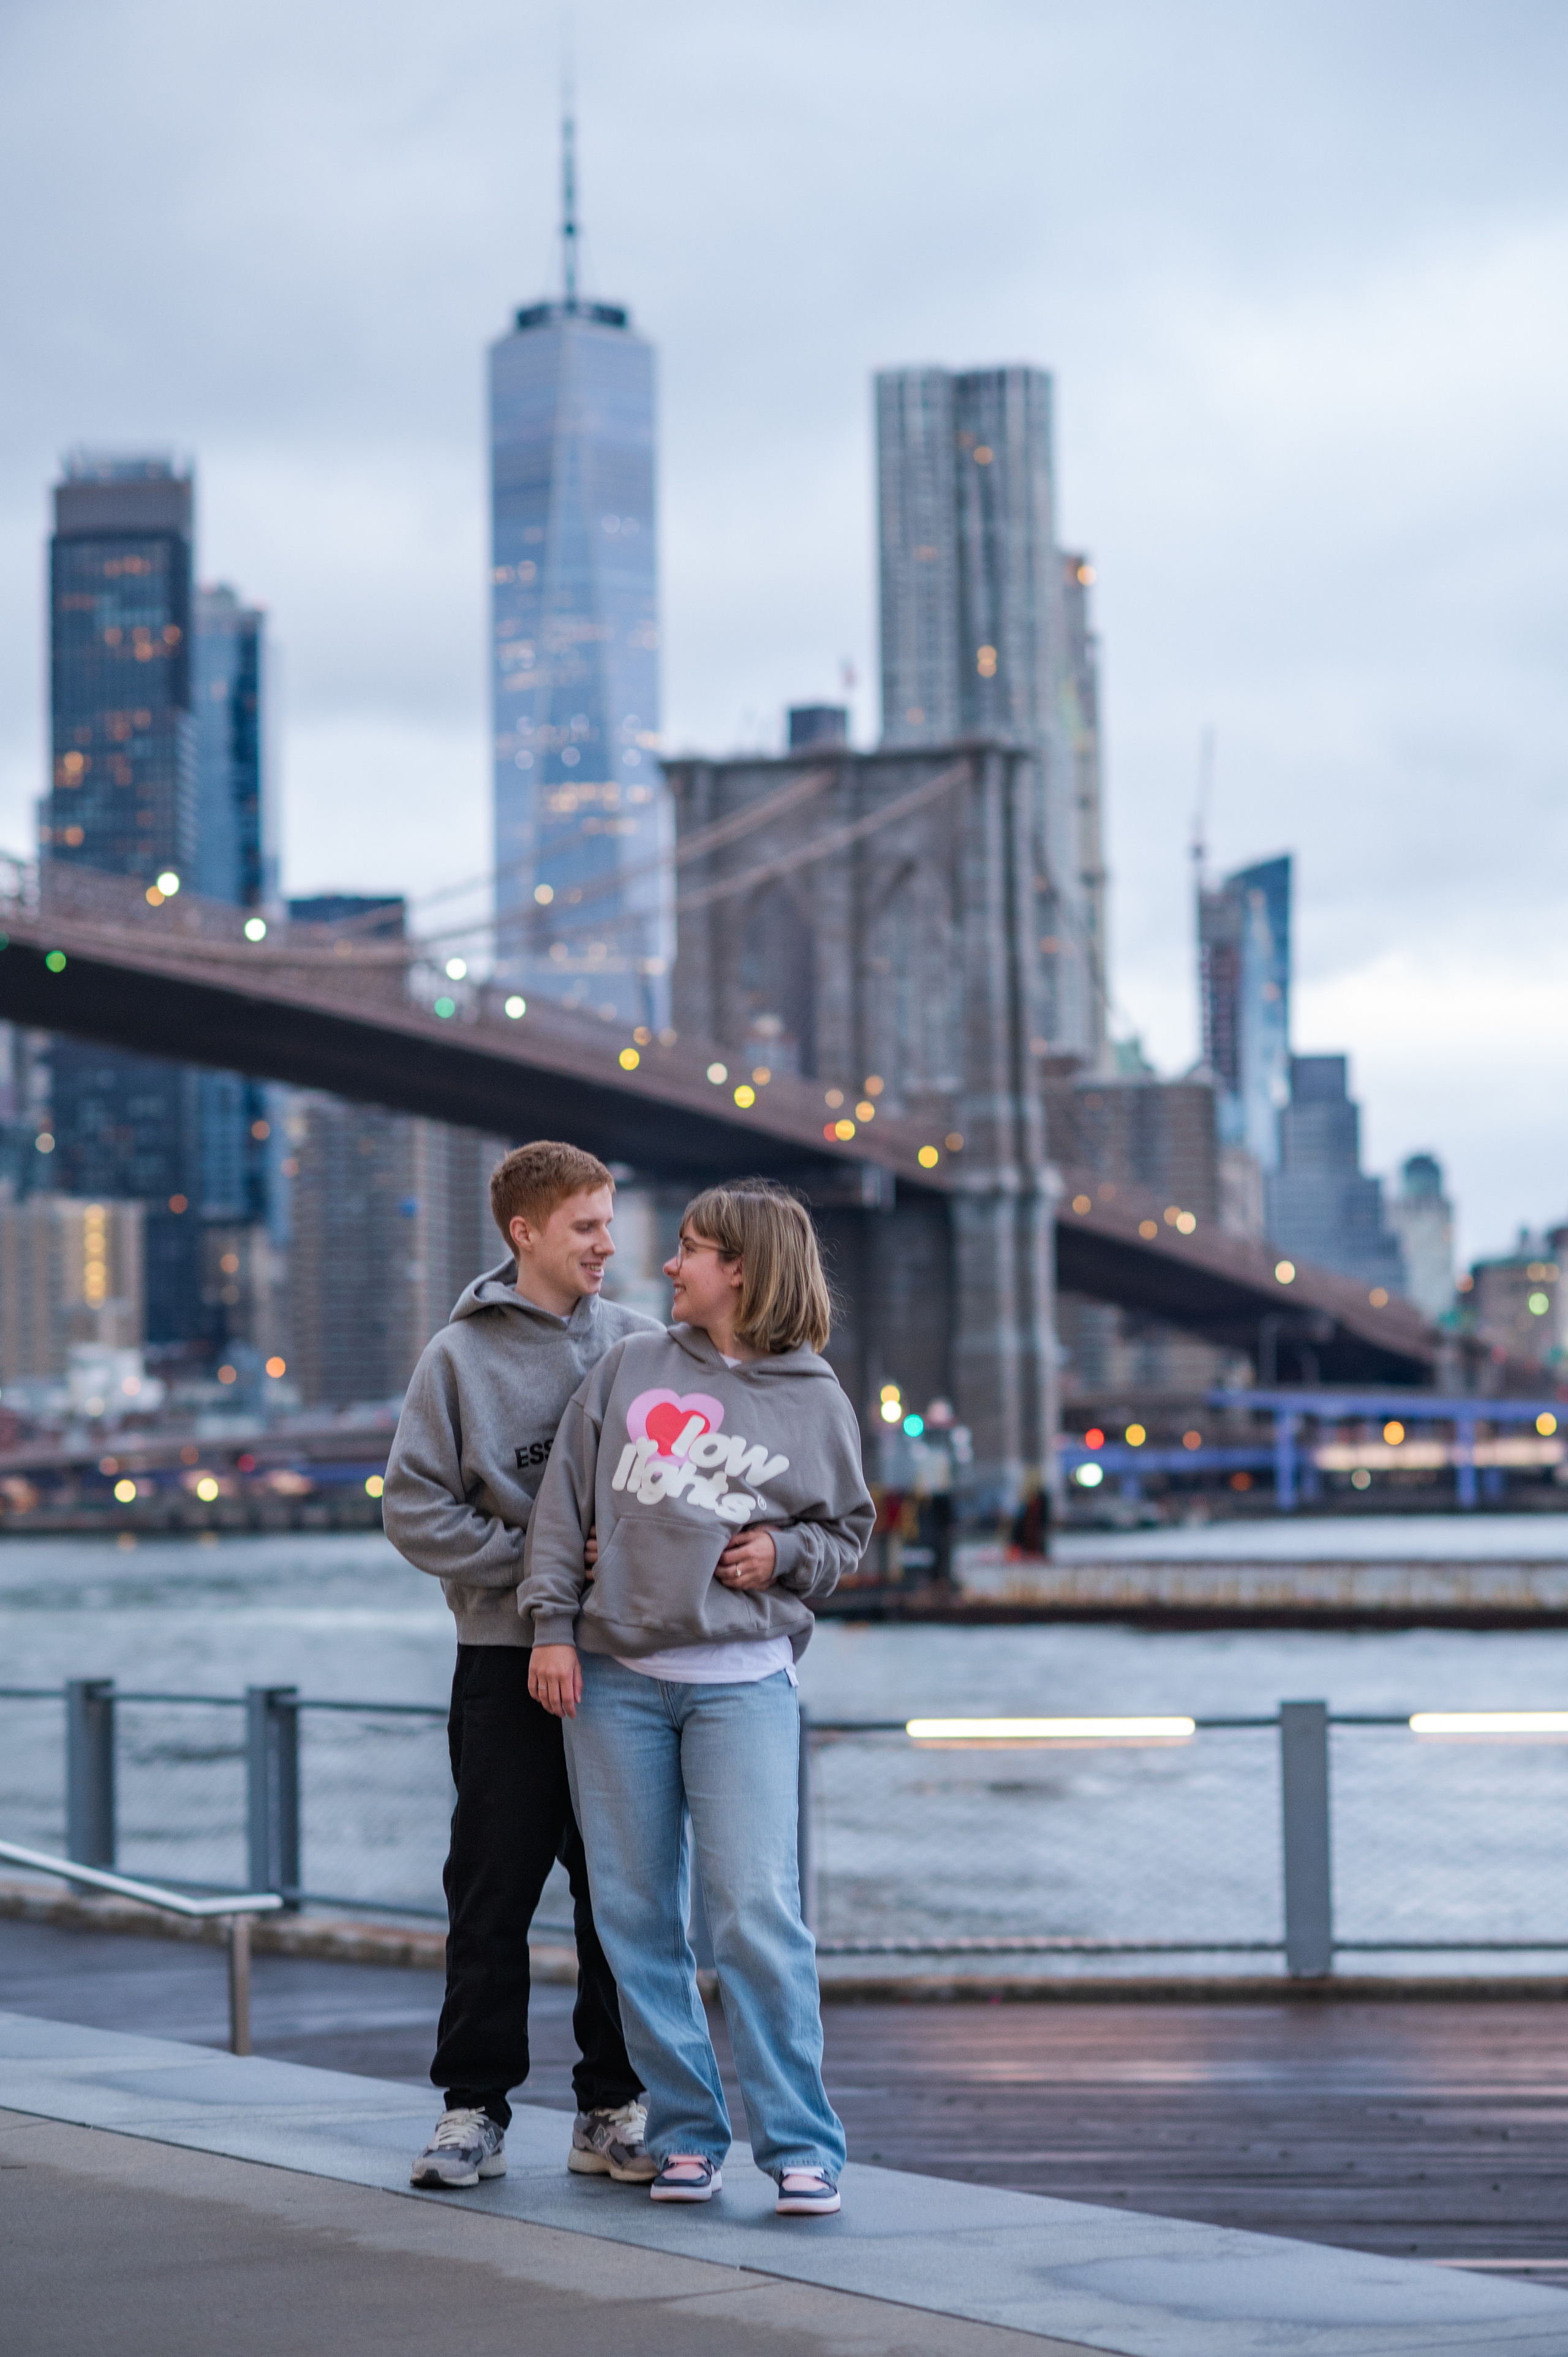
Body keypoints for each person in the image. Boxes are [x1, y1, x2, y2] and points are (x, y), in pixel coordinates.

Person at [521, 1179, 874, 2217]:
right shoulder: (630, 1368)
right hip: (615, 1683)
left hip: (743, 1687)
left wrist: (784, 1553)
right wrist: (552, 1628)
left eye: (692, 1250)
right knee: (634, 1919)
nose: (670, 1266)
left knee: (754, 1913)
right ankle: (685, 2134)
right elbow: (562, 1511)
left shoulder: (815, 1398)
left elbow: (847, 1533)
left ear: (745, 1270)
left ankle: (802, 2147)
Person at [384, 1140, 663, 2191]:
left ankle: (611, 2109)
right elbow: (413, 1511)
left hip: (621, 1667)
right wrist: (536, 1562)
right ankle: (473, 2111)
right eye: (586, 1226)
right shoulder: (456, 1359)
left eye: (609, 1223)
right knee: (491, 1893)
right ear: (526, 1232)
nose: (606, 1244)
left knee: (619, 1896)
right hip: (503, 1662)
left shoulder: (639, 1346)